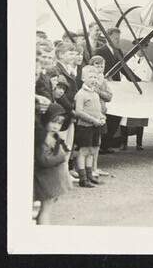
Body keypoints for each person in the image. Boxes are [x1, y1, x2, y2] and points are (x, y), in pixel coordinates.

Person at [95, 27, 140, 153]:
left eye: (119, 38)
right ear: (108, 38)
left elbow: (124, 69)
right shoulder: (99, 51)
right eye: (115, 39)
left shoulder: (118, 51)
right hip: (104, 88)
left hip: (115, 88)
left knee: (115, 117)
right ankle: (101, 145)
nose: (118, 41)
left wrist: (137, 80)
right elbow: (94, 67)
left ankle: (106, 144)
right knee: (106, 117)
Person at [34, 104, 72, 224]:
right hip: (46, 180)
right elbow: (44, 159)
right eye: (53, 122)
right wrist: (61, 156)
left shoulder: (52, 136)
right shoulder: (43, 140)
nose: (56, 126)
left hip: (52, 179)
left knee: (48, 207)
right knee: (46, 209)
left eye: (60, 123)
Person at [73, 65, 106, 187]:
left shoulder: (95, 94)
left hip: (95, 126)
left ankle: (90, 175)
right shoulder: (81, 94)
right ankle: (83, 178)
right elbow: (79, 112)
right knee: (83, 151)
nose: (93, 79)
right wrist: (93, 120)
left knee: (92, 151)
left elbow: (98, 110)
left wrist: (102, 117)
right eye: (90, 77)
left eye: (95, 77)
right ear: (82, 78)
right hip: (85, 127)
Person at [54, 42, 81, 178]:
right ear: (60, 55)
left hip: (69, 113)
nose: (72, 56)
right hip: (63, 112)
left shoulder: (67, 69)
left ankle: (65, 173)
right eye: (69, 53)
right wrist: (71, 109)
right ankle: (60, 174)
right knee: (62, 144)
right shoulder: (57, 70)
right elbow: (61, 94)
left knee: (68, 144)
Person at [88, 56, 113, 175]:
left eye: (102, 66)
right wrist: (101, 92)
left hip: (102, 112)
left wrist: (100, 91)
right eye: (97, 66)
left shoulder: (104, 81)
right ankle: (88, 167)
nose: (99, 68)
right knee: (89, 141)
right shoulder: (90, 79)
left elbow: (109, 97)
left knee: (97, 141)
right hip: (91, 112)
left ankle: (94, 166)